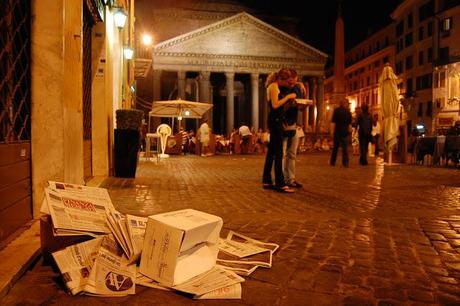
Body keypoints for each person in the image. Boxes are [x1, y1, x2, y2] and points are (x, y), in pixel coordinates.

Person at [262, 68, 297, 193]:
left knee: (272, 153)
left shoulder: (275, 86)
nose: (288, 85)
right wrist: (288, 97)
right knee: (278, 153)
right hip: (275, 121)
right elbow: (275, 105)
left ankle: (266, 180)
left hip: (276, 120)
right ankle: (280, 184)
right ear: (281, 79)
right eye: (287, 82)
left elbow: (278, 107)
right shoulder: (273, 86)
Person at [280, 69, 307, 188]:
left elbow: (300, 107)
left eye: (295, 82)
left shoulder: (297, 87)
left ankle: (290, 179)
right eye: (291, 82)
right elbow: (278, 107)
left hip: (293, 124)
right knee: (282, 154)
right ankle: (281, 179)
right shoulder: (280, 88)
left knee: (292, 154)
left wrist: (304, 104)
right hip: (282, 124)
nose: (293, 84)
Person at [330, 98, 352, 167]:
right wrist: (349, 131)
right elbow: (349, 124)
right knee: (345, 149)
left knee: (335, 148)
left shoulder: (336, 111)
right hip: (345, 132)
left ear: (340, 104)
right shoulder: (348, 112)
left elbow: (333, 122)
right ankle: (345, 163)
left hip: (337, 131)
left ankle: (333, 161)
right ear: (345, 104)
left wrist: (332, 131)